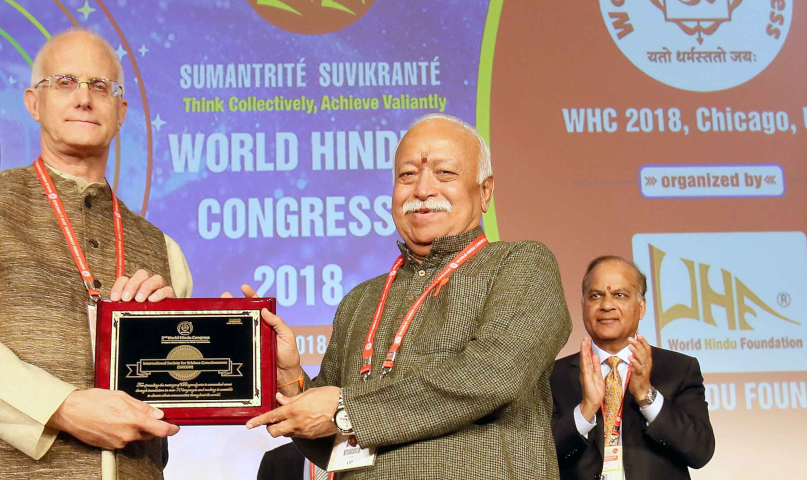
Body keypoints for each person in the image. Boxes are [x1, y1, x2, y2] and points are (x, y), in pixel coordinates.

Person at [0, 28, 191, 479]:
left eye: (100, 86)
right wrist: (62, 406)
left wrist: (164, 334)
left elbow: (177, 395)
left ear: (120, 113)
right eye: (65, 82)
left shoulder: (162, 248)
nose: (84, 98)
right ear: (34, 103)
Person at [232, 113, 572, 479]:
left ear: (485, 191)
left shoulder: (520, 264)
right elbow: (330, 443)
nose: (422, 189)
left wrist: (346, 410)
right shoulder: (360, 301)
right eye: (407, 174)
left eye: (444, 173)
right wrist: (288, 374)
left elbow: (494, 373)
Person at [550, 256, 715, 480]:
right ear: (583, 305)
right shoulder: (553, 376)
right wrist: (586, 409)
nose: (606, 306)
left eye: (619, 295)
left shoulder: (679, 369)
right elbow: (537, 457)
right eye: (596, 295)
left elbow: (700, 451)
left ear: (641, 307)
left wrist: (647, 395)